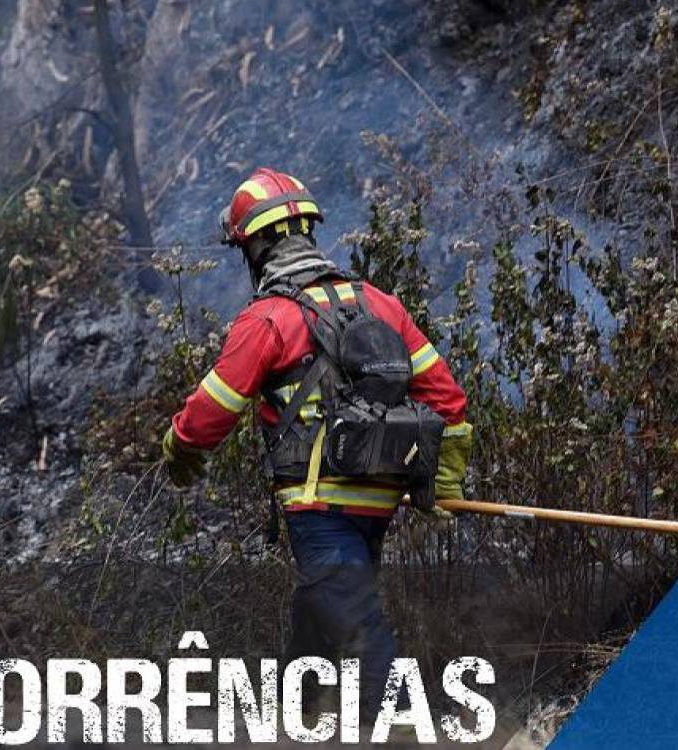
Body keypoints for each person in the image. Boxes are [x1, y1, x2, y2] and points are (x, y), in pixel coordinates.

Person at [161, 167, 474, 720]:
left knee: (355, 624)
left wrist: (180, 449)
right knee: (321, 605)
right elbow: (448, 399)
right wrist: (442, 480)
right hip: (378, 499)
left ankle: (400, 728)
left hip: (318, 503)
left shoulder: (268, 320)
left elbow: (210, 412)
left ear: (255, 248)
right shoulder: (380, 304)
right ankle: (290, 715)